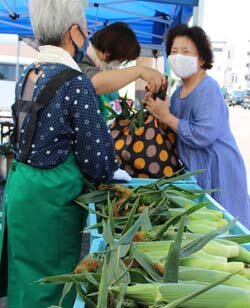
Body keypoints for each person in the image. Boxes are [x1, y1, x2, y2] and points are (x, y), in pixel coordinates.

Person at [0, 0, 131, 307]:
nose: (87, 36)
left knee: (25, 281)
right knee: (51, 286)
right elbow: (97, 160)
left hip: (21, 193)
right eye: (85, 30)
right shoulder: (75, 83)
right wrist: (114, 172)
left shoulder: (29, 73)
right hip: (52, 204)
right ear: (73, 33)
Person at [144, 24, 250, 228]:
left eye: (185, 52)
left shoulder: (208, 88)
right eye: (174, 51)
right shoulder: (177, 94)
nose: (177, 56)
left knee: (224, 226)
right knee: (205, 225)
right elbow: (174, 129)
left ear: (201, 58)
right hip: (196, 168)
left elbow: (203, 135)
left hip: (218, 167)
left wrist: (165, 116)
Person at [79, 22, 166, 119]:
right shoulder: (80, 58)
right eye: (122, 60)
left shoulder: (98, 66)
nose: (118, 65)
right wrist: (139, 71)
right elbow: (93, 84)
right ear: (109, 53)